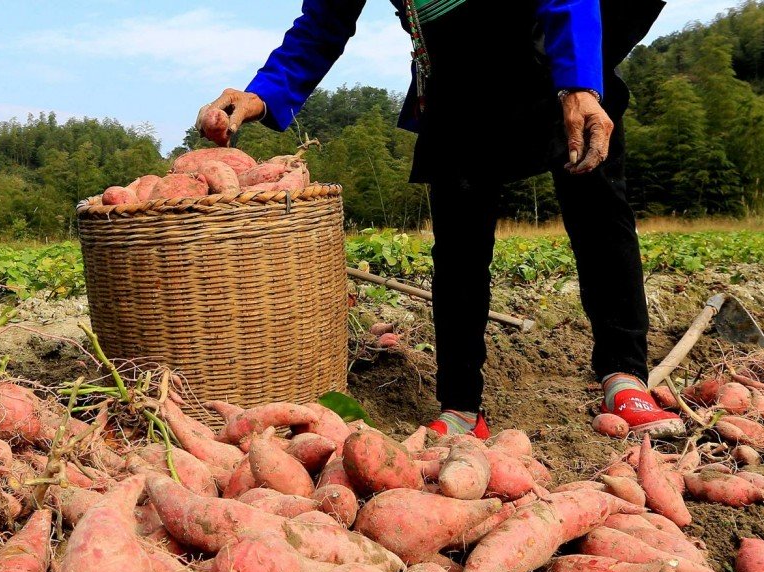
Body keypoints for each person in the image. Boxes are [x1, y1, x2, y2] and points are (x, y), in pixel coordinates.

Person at [198, 0, 685, 439]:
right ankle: (460, 406)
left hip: (546, 53)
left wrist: (579, 81)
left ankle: (623, 373)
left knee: (599, 210)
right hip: (456, 84)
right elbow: (323, 21)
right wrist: (261, 93)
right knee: (458, 249)